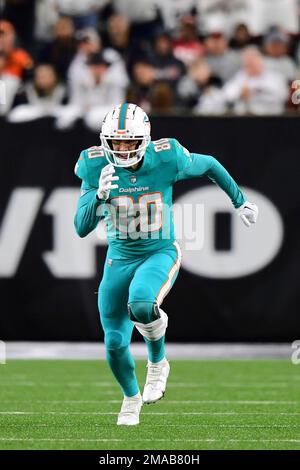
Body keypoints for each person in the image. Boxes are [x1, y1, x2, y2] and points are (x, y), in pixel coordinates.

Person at [74, 103, 258, 426]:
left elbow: (210, 165)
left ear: (144, 140)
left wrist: (239, 200)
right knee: (115, 343)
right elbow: (80, 227)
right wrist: (97, 197)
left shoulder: (166, 156)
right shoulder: (94, 166)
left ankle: (157, 361)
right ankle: (131, 398)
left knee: (142, 302)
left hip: (159, 250)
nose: (121, 149)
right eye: (115, 142)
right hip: (119, 259)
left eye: (129, 142)